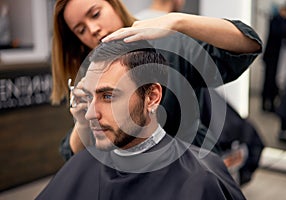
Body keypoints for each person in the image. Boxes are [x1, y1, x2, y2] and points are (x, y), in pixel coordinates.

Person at [51, 0, 262, 161]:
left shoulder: (170, 45)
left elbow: (248, 45)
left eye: (96, 14)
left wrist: (177, 21)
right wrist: (82, 122)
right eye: (81, 30)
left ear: (113, 4)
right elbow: (75, 156)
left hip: (190, 167)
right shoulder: (90, 74)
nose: (93, 29)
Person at [37, 39, 246, 199]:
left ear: (152, 97)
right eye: (89, 97)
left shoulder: (201, 178)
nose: (91, 113)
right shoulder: (81, 165)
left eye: (108, 96)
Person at [262, 0, 286, 112]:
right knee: (269, 81)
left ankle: (272, 104)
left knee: (275, 82)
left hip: (279, 57)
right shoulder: (277, 19)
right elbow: (281, 31)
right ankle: (266, 104)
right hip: (272, 56)